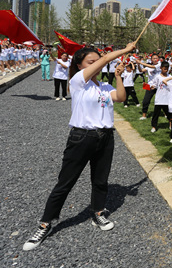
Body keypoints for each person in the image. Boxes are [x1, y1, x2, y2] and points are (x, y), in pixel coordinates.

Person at [23, 42, 136, 251]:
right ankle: (45, 223)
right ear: (80, 65)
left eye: (97, 61)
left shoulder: (103, 86)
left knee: (100, 180)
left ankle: (98, 212)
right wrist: (123, 50)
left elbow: (120, 97)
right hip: (81, 137)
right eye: (91, 62)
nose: (97, 65)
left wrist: (119, 77)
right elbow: (104, 60)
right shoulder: (77, 82)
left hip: (106, 137)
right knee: (65, 182)